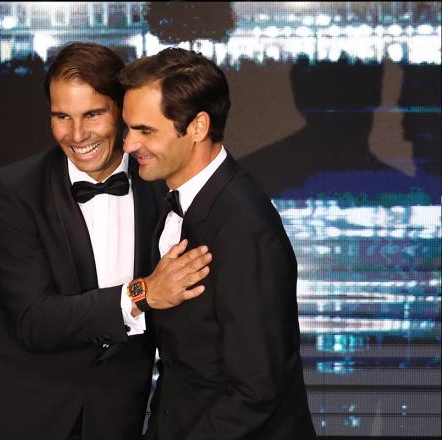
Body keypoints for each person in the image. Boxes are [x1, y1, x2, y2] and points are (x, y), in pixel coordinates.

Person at [0, 43, 211, 440]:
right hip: (14, 414)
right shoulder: (14, 192)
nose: (77, 134)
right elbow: (35, 321)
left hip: (115, 414)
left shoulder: (164, 187)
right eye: (61, 117)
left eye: (93, 114)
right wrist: (141, 294)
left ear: (123, 110)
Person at [119, 48, 316, 439]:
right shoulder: (169, 197)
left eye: (145, 131)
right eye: (128, 129)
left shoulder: (244, 227)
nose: (127, 145)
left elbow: (256, 390)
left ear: (197, 126)